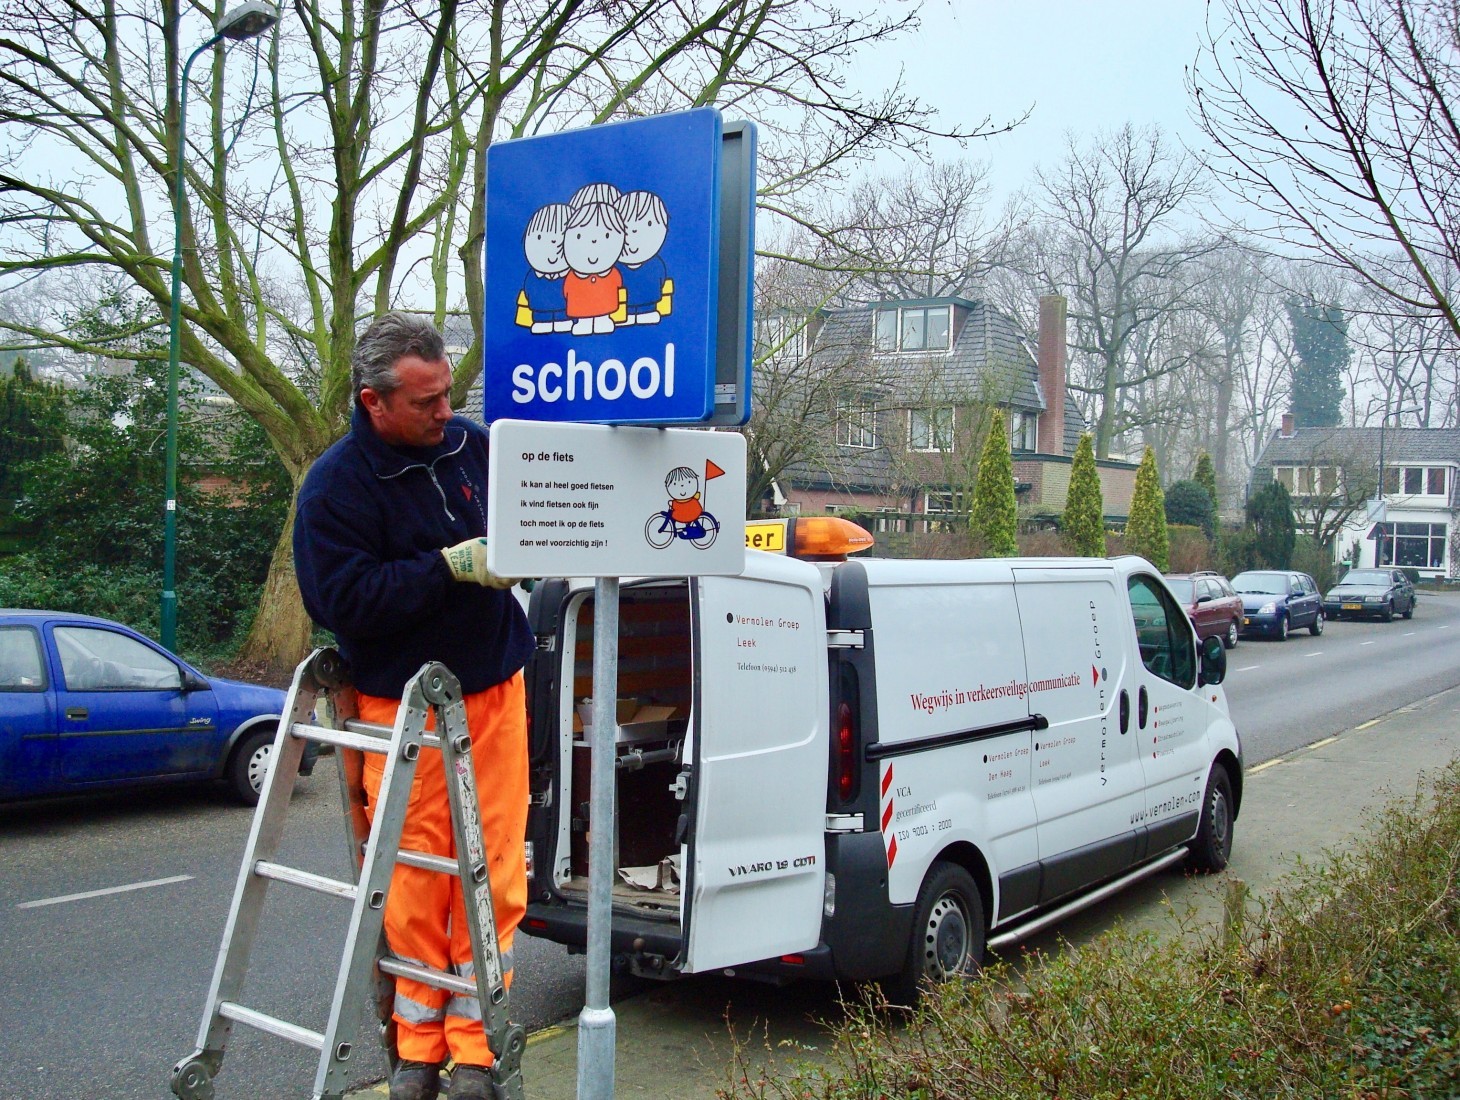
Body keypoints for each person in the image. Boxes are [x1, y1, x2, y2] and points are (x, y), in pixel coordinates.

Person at [293, 312, 533, 1100]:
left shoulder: (473, 447)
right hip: (404, 710)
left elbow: (530, 519)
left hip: (495, 687)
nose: (444, 413)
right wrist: (450, 568)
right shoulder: (336, 489)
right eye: (426, 401)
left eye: (447, 393)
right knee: (416, 880)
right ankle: (420, 1046)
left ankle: (472, 1045)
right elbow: (343, 600)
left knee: (493, 870)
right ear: (374, 401)